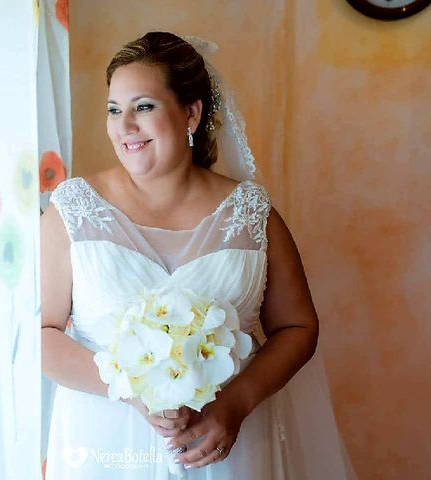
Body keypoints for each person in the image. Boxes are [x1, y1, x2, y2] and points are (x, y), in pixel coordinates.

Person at [41, 31, 355, 479]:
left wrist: (235, 403)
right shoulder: (71, 211)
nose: (124, 126)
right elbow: (40, 334)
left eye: (143, 107)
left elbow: (298, 327)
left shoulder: (251, 213)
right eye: (114, 110)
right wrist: (130, 390)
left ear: (190, 113)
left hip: (230, 448)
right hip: (106, 446)